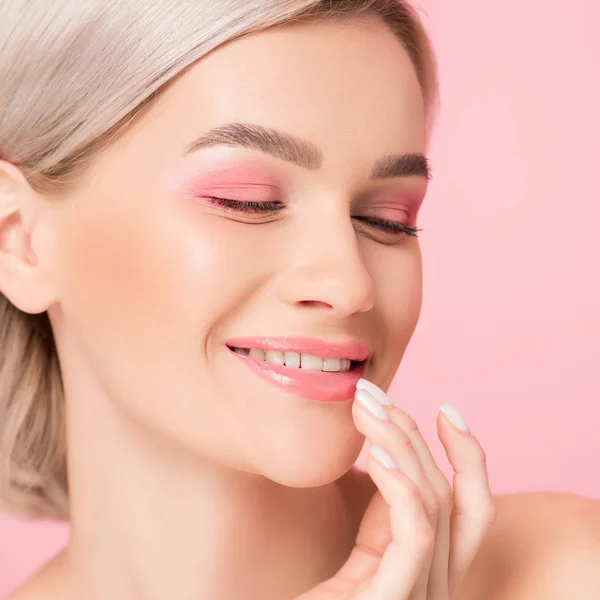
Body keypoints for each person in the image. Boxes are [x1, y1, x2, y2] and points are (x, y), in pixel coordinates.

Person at [0, 1, 598, 599]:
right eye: (248, 201)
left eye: (386, 219)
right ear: (20, 239)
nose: (349, 284)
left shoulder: (568, 574)